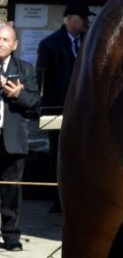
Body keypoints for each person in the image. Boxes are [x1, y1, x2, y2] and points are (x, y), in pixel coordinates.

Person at [36, 1, 94, 213]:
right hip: (58, 109)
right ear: (69, 19)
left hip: (86, 110)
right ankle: (59, 197)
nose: (87, 22)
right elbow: (42, 79)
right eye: (83, 18)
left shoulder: (90, 42)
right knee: (59, 154)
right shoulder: (50, 44)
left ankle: (83, 196)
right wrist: (43, 108)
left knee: (85, 153)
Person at [0, 24, 40, 251]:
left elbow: (34, 103)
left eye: (5, 40)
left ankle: (11, 237)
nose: (0, 43)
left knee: (11, 192)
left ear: (14, 45)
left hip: (12, 140)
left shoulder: (25, 69)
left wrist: (16, 93)